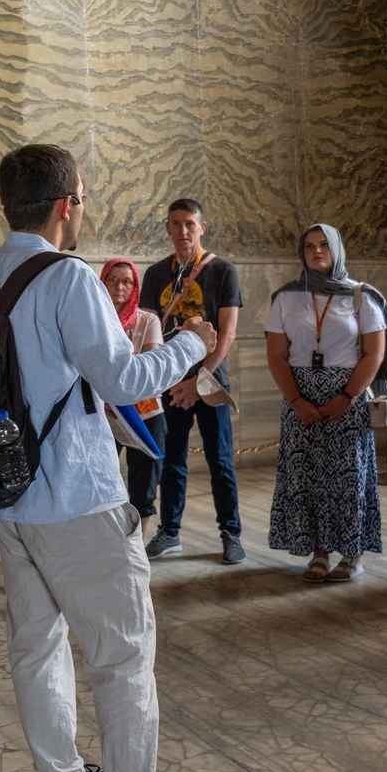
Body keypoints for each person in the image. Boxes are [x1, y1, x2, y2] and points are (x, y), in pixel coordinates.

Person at [0, 144, 228, 772]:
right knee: (122, 655)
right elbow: (118, 377)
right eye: (80, 197)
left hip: (8, 497)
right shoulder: (67, 278)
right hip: (76, 496)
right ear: (66, 204)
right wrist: (192, 344)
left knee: (36, 646)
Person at [265, 224, 387, 581]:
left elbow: (373, 354)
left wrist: (347, 396)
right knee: (307, 477)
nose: (316, 251)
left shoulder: (361, 296)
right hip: (300, 394)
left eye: (324, 245)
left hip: (347, 395)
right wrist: (296, 399)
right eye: (309, 246)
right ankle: (318, 552)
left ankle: (352, 554)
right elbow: (276, 355)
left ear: (337, 249)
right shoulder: (286, 297)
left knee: (347, 477)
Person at [139, 199, 246, 564]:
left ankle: (230, 533)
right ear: (167, 228)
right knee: (171, 459)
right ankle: (169, 532)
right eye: (175, 224)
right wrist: (166, 379)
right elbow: (149, 330)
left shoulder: (223, 271)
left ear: (202, 227)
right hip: (171, 380)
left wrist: (199, 379)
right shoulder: (155, 275)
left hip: (211, 378)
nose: (183, 231)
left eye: (189, 224)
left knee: (220, 459)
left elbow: (228, 333)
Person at [103, 257, 166, 535]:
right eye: (113, 280)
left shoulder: (147, 320)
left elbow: (148, 369)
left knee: (144, 483)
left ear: (135, 286)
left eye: (126, 281)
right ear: (102, 282)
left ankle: (138, 543)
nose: (119, 287)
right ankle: (109, 539)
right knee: (103, 479)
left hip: (144, 412)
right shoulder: (94, 320)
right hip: (104, 412)